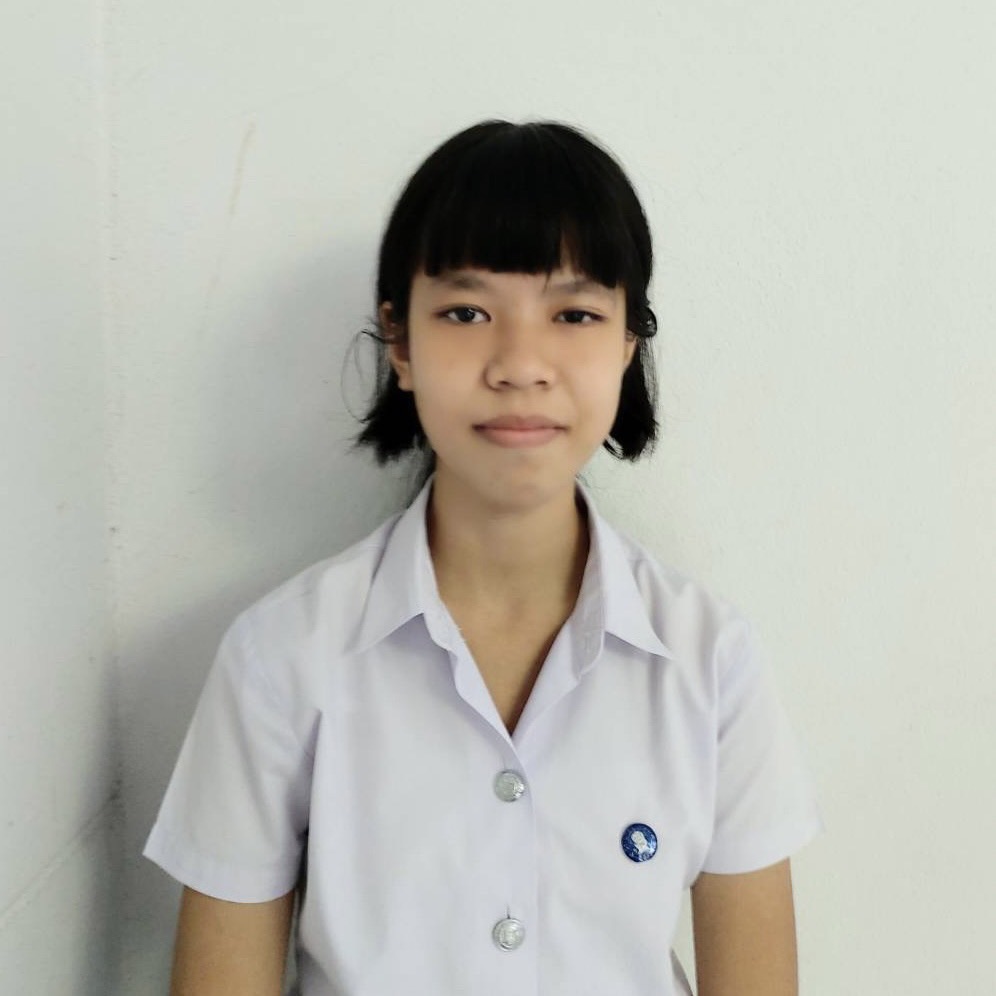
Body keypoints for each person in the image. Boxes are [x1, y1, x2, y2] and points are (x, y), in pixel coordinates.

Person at [145, 119, 822, 996]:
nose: (520, 365)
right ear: (400, 343)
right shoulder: (280, 658)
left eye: (574, 314)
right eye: (466, 312)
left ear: (628, 344)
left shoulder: (710, 659)